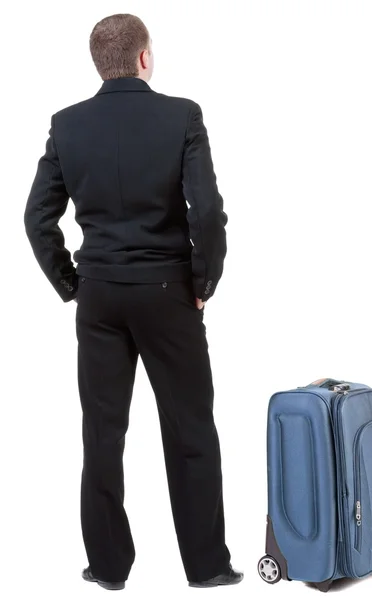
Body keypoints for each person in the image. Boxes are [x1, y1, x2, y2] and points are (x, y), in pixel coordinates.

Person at [24, 12, 242, 592]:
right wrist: (205, 282)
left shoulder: (67, 126)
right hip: (169, 293)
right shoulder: (181, 116)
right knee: (191, 429)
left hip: (99, 299)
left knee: (101, 434)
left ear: (101, 64)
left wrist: (73, 284)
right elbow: (208, 212)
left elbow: (35, 218)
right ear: (144, 58)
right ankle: (207, 566)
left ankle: (108, 569)